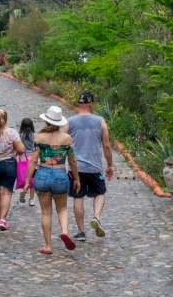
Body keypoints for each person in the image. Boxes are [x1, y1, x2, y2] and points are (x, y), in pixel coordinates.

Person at [23, 105, 81, 254]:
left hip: (42, 174)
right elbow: (73, 161)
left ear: (47, 121)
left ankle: (48, 246)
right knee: (62, 208)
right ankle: (64, 231)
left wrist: (27, 180)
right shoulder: (67, 139)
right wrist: (76, 179)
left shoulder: (40, 137)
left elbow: (33, 161)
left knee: (46, 213)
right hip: (61, 174)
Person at [63, 91, 114, 241]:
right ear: (91, 104)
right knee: (99, 192)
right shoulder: (100, 121)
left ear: (79, 105)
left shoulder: (69, 122)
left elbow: (63, 144)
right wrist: (110, 165)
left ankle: (81, 232)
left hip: (75, 169)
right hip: (94, 167)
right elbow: (106, 145)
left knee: (77, 197)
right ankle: (96, 217)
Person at [18, 118, 36, 206]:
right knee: (32, 179)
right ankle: (31, 199)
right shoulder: (34, 135)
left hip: (23, 158)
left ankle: (24, 190)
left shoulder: (19, 135)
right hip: (32, 158)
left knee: (25, 176)